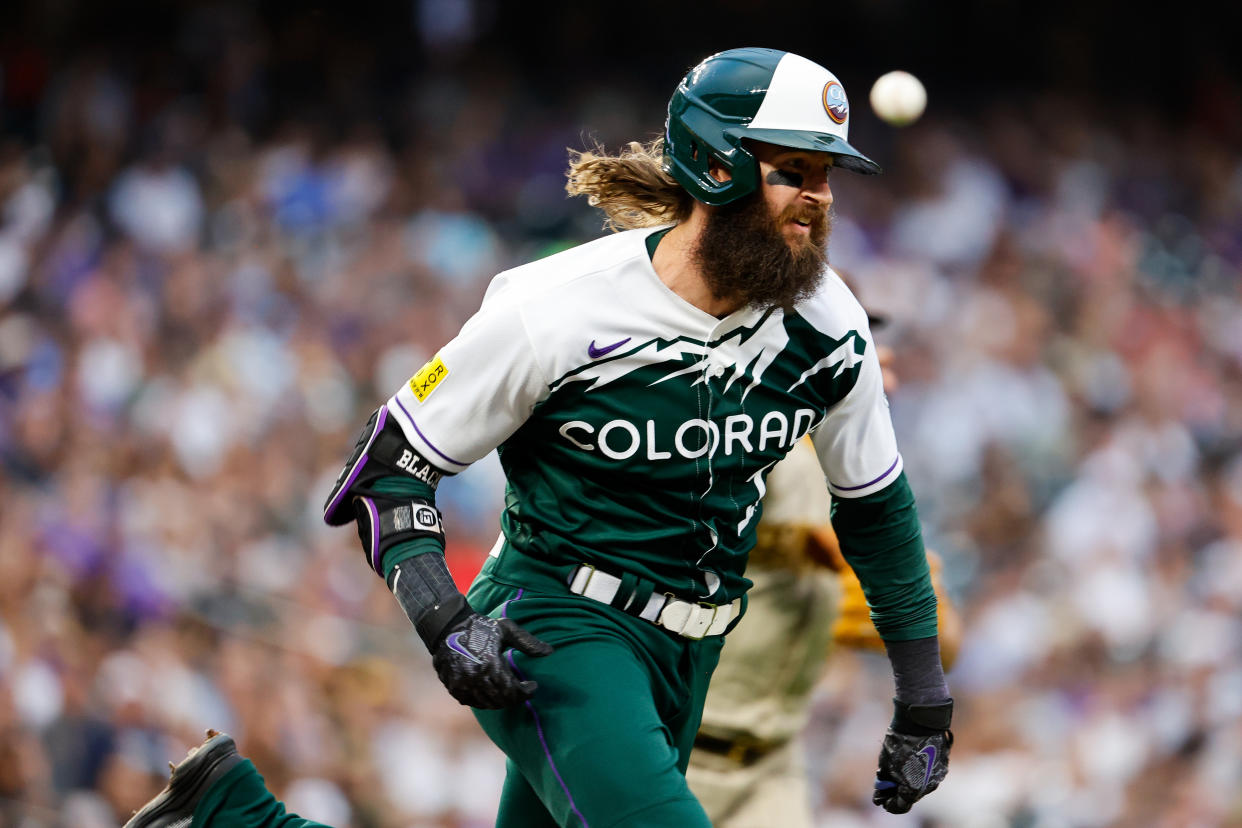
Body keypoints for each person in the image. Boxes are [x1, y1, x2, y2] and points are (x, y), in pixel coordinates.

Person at [131, 46, 953, 828]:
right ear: (718, 165)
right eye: (794, 171)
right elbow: (388, 463)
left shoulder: (829, 320)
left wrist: (924, 697)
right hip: (559, 625)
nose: (821, 196)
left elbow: (877, 507)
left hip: (693, 651)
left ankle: (233, 816)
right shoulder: (560, 304)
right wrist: (444, 621)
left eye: (826, 175)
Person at [685, 345, 963, 828]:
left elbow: (944, 636)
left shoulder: (855, 460)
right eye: (865, 343)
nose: (886, 362)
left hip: (772, 764)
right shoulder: (746, 431)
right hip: (678, 747)